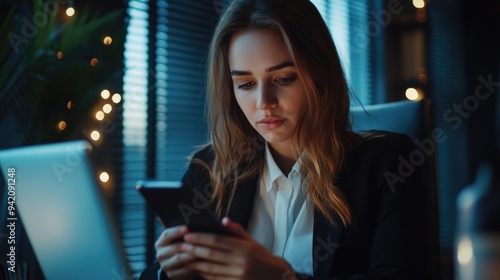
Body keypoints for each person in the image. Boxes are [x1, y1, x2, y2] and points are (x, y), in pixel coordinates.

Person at [140, 0, 426, 279]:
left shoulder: (389, 165)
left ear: (321, 75)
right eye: (246, 84)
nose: (264, 103)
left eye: (285, 78)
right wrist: (169, 273)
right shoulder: (209, 170)